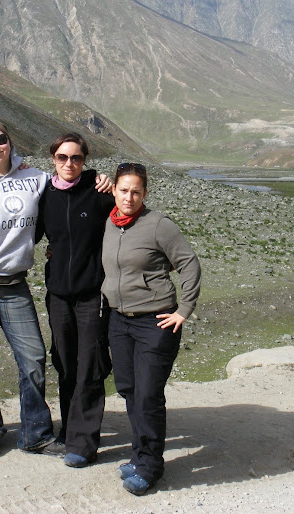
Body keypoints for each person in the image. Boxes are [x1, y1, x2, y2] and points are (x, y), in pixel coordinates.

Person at [0, 118, 111, 457]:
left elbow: (68, 181)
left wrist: (101, 178)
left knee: (34, 357)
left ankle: (35, 431)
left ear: (11, 141)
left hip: (14, 283)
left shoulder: (35, 179)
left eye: (1, 139)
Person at [101, 163, 201, 495]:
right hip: (119, 320)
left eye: (136, 192)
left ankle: (149, 467)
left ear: (145, 194)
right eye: (124, 190)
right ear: (113, 188)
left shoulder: (158, 225)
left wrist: (183, 310)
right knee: (129, 389)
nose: (129, 197)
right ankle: (140, 454)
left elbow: (189, 263)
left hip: (155, 322)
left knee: (147, 395)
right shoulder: (109, 221)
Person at [35, 133, 114, 468]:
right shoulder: (44, 195)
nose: (69, 164)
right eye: (63, 157)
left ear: (85, 160)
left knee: (90, 367)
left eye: (77, 158)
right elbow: (27, 231)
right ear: (53, 159)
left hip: (92, 294)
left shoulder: (98, 193)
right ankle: (69, 431)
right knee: (65, 363)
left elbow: (127, 219)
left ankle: (84, 443)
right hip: (58, 295)